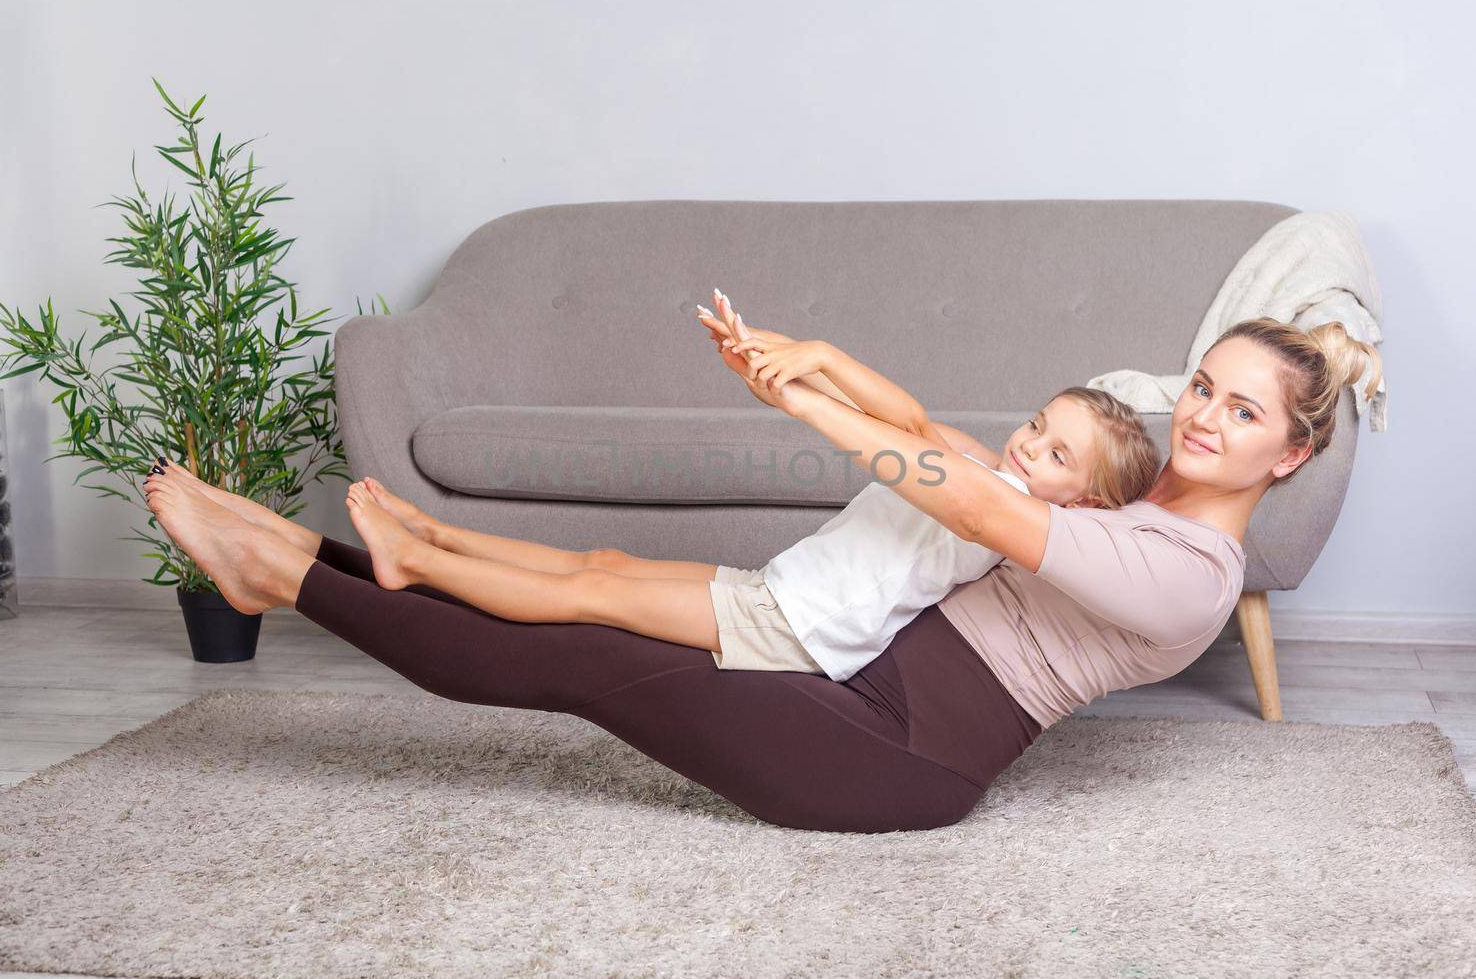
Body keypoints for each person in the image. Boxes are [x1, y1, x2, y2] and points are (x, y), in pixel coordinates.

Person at [138, 301, 1382, 834]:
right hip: (848, 667)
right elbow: (957, 454)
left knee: (584, 655)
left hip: (895, 754)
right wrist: (815, 363)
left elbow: (988, 513)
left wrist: (820, 411)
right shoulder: (1133, 483)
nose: (1208, 418)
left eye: (1246, 413)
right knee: (597, 599)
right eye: (1205, 388)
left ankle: (282, 578)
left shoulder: (1190, 574)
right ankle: (303, 552)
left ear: (1292, 450)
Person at [323, 289, 1161, 685]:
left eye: (1057, 456)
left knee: (591, 595)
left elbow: (902, 443)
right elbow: (912, 418)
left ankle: (414, 564)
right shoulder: (989, 468)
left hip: (797, 630)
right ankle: (435, 533)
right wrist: (800, 352)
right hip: (779, 593)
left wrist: (804, 385)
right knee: (604, 560)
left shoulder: (1006, 515)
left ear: (1080, 503)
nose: (1030, 445)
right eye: (1038, 424)